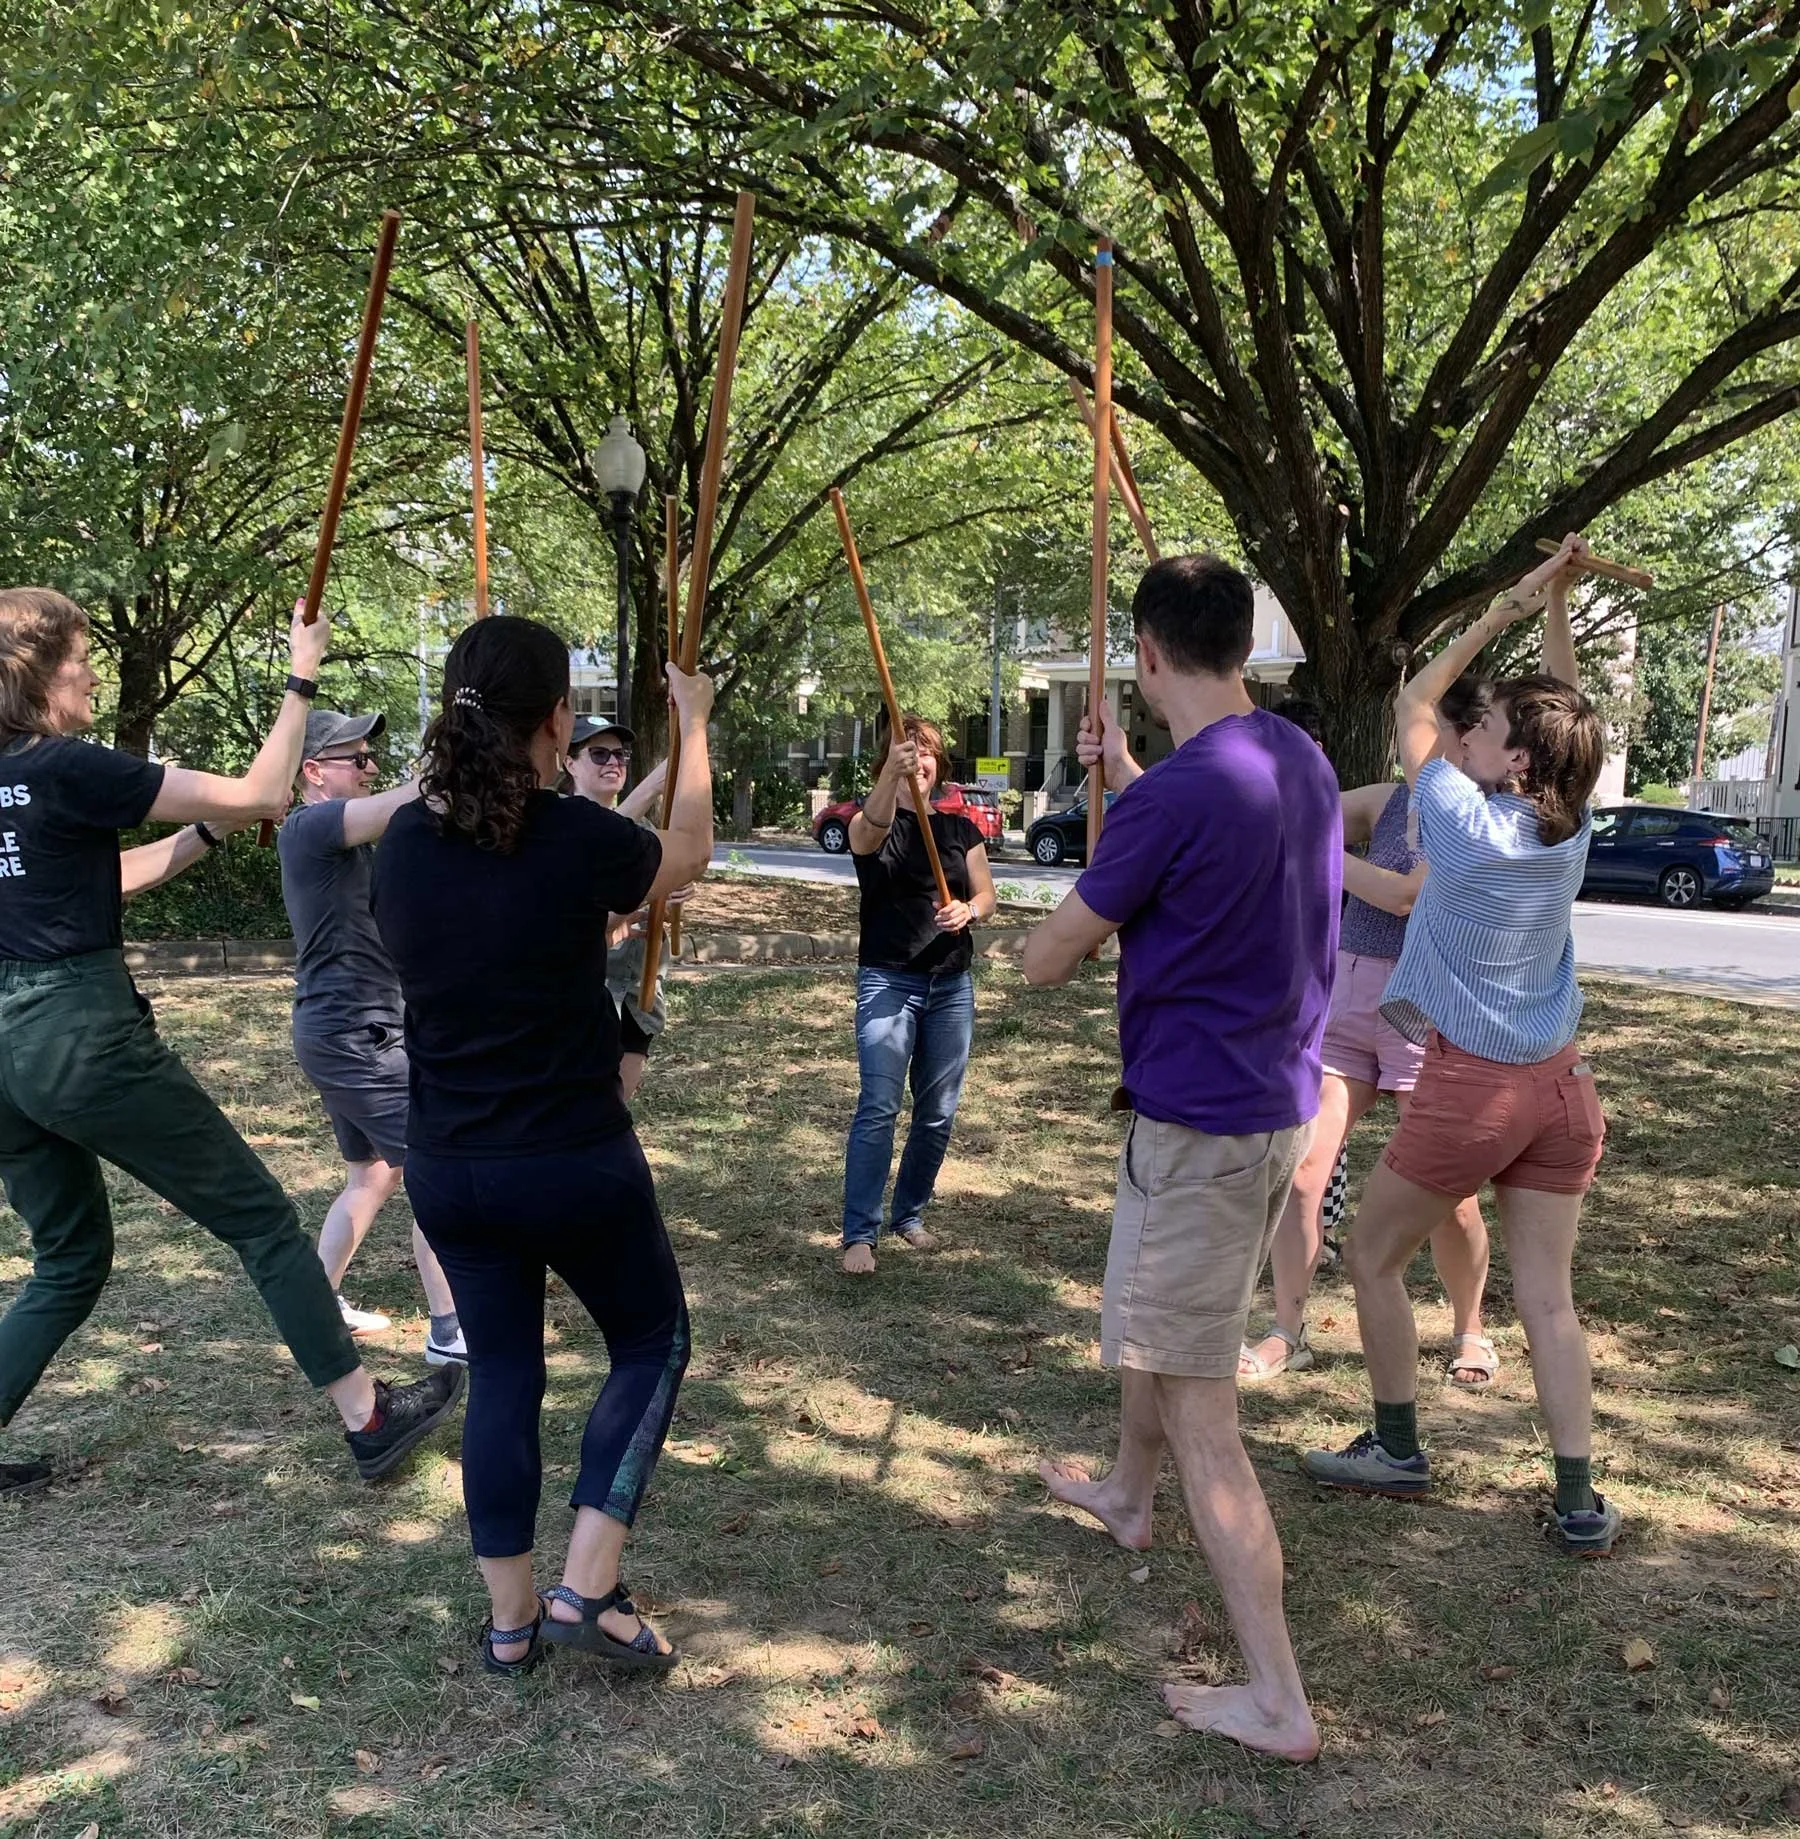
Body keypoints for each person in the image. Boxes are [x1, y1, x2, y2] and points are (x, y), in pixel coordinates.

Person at [0, 588, 464, 1499]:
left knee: (69, 1255)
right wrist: (301, 673)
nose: (93, 670)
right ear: (40, 669)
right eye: (79, 657)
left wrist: (208, 830)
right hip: (76, 1030)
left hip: (6, 1049)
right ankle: (370, 1416)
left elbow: (107, 878)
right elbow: (261, 790)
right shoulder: (64, 765)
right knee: (258, 1219)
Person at [1024, 554, 1340, 1763]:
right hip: (1270, 1111)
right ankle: (1125, 1494)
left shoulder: (1171, 801)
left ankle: (1279, 1699)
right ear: (1240, 649)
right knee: (1156, 1324)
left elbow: (1055, 954)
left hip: (1203, 1131)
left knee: (1205, 1406)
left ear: (1149, 655)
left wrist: (1035, 939)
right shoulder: (1292, 758)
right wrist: (1130, 779)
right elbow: (1215, 822)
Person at [371, 616, 714, 1676]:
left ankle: (510, 1626)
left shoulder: (402, 844)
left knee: (507, 1369)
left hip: (451, 1168)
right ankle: (588, 1585)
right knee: (651, 1340)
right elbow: (689, 855)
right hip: (569, 1157)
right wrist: (693, 726)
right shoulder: (572, 833)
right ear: (558, 718)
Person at [1302, 535, 1619, 1557]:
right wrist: (1560, 605)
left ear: (1514, 762)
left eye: (1489, 734)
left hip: (1474, 1089)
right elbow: (1572, 724)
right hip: (1564, 1094)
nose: (1467, 736)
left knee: (1372, 1253)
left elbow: (1415, 701)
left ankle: (1397, 1449)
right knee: (1550, 1301)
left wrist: (1507, 606)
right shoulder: (1566, 831)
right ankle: (1579, 1503)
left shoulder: (1457, 819)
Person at [1242, 690, 1497, 1388]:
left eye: (1426, 726)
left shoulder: (1476, 817)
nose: (1414, 738)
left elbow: (1404, 895)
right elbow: (1303, 798)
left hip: (1422, 1005)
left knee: (1450, 1193)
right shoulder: (1388, 797)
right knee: (1302, 1171)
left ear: (1464, 741)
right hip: (1348, 999)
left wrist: (1314, 844)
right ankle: (1286, 1331)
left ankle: (1470, 1330)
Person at [277, 707, 464, 1364]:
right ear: (314, 771)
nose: (370, 767)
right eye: (358, 759)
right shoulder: (312, 826)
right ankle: (449, 1329)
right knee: (443, 1160)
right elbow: (402, 803)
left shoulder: (341, 842)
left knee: (372, 1174)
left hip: (347, 1029)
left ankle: (316, 1305)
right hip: (355, 1032)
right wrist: (460, 760)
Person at [840, 714, 996, 1277]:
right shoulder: (873, 824)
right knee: (879, 1107)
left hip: (951, 983)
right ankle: (860, 1233)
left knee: (937, 1113)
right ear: (890, 760)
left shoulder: (960, 831)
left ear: (940, 763)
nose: (919, 760)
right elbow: (866, 832)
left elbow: (986, 895)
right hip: (888, 980)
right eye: (908, 751)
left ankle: (908, 1216)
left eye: (927, 751)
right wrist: (889, 775)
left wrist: (968, 910)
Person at [564, 715, 674, 1101]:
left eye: (621, 755)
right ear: (569, 762)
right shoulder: (555, 828)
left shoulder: (644, 832)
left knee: (618, 1109)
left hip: (637, 991)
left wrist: (670, 895)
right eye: (599, 754)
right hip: (585, 994)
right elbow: (577, 920)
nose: (613, 762)